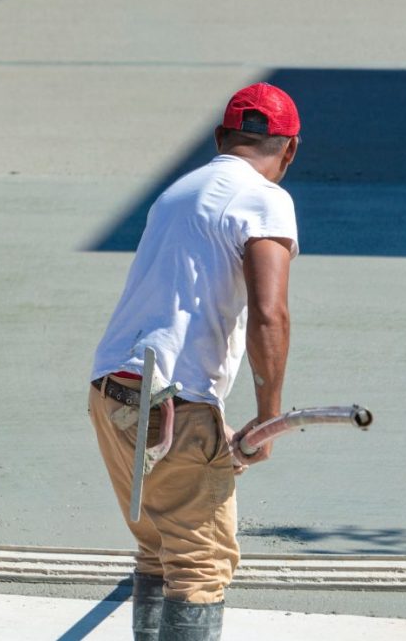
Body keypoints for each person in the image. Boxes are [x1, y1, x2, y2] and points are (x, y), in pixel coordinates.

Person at [87, 83, 301, 641]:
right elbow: (269, 313)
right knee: (201, 560)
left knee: (160, 544)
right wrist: (268, 418)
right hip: (172, 401)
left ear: (219, 139)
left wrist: (206, 410)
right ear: (290, 149)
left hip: (113, 388)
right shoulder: (264, 196)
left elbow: (172, 310)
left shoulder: (178, 192)